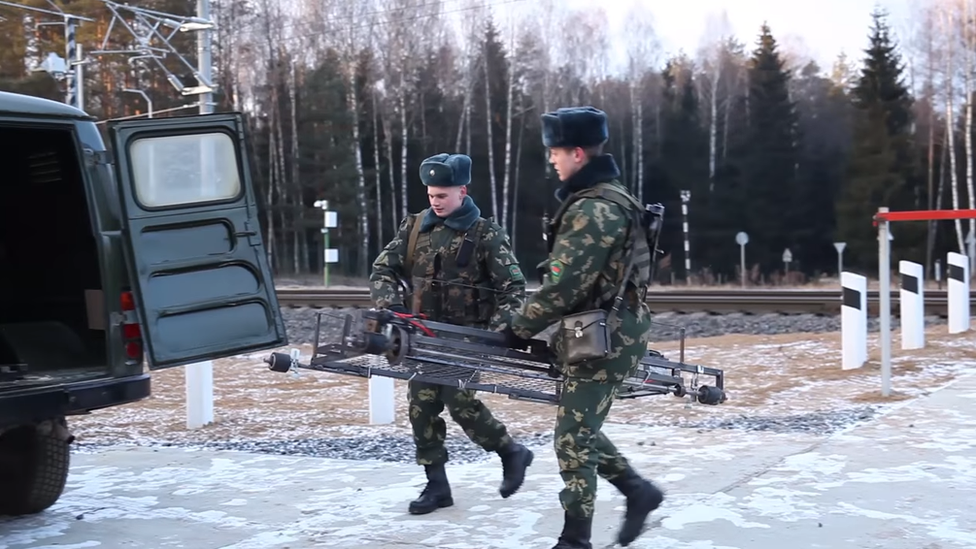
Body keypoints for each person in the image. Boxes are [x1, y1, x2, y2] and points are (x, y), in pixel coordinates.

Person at [501, 107, 665, 548]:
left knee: (572, 436)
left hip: (603, 336)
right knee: (581, 428)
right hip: (607, 330)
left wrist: (519, 327)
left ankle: (576, 539)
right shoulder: (609, 196)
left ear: (577, 153)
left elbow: (566, 286)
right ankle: (638, 492)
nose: (552, 160)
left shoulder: (594, 208)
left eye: (555, 152)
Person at [369, 152, 535, 516]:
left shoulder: (486, 234)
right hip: (422, 334)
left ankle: (510, 451)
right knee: (421, 407)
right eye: (430, 195)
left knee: (459, 401)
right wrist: (391, 306)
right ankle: (437, 485)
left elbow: (514, 288)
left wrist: (497, 333)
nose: (435, 202)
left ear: (463, 191)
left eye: (442, 195)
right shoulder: (414, 228)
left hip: (468, 337)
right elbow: (382, 269)